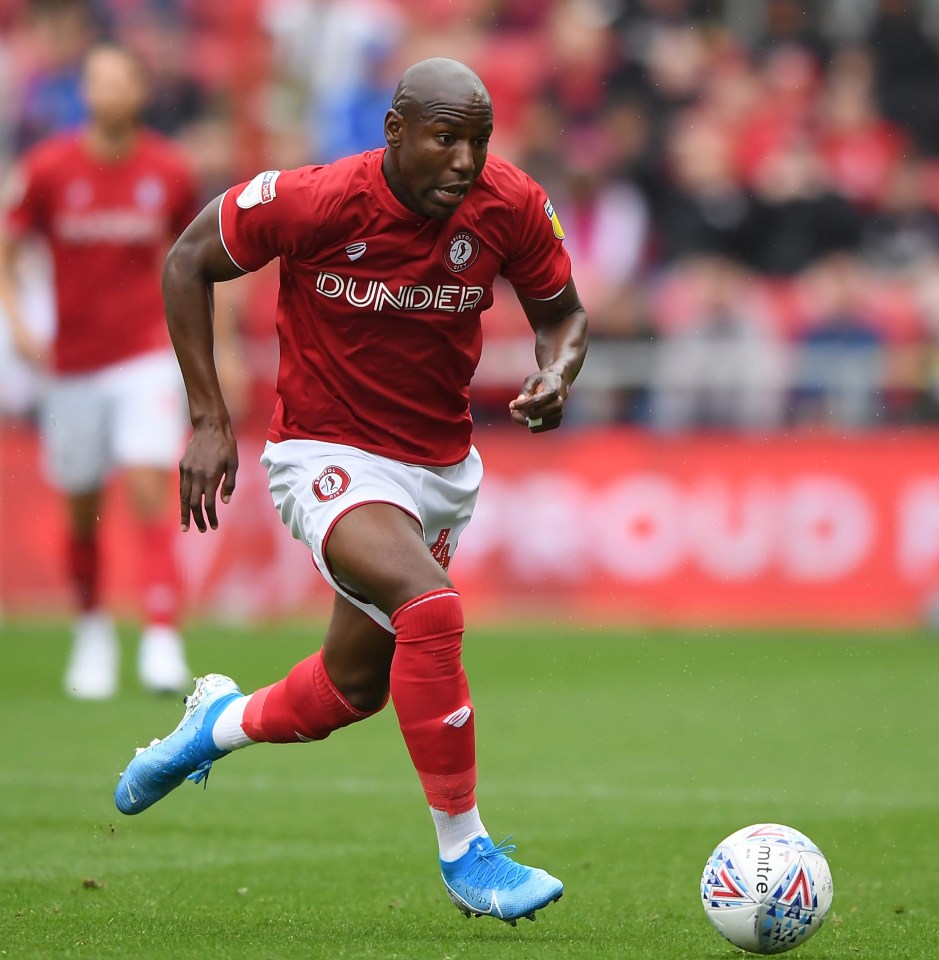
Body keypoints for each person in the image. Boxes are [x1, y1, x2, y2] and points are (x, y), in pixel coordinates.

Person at [114, 58, 588, 925]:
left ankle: (215, 723)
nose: (465, 160)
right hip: (324, 454)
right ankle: (466, 852)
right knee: (431, 607)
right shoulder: (315, 199)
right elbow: (187, 260)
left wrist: (556, 373)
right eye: (446, 138)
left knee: (349, 691)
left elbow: (563, 312)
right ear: (396, 130)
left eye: (479, 141)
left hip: (439, 472)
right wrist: (211, 417)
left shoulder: (511, 203)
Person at [0, 42, 199, 699]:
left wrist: (212, 343)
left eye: (119, 81)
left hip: (144, 355)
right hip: (72, 364)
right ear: (84, 93)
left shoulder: (169, 172)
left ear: (140, 92)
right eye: (97, 81)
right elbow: (7, 247)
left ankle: (162, 634)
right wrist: (20, 324)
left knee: (149, 481)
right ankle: (91, 629)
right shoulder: (50, 168)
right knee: (81, 504)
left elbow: (193, 262)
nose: (107, 93)